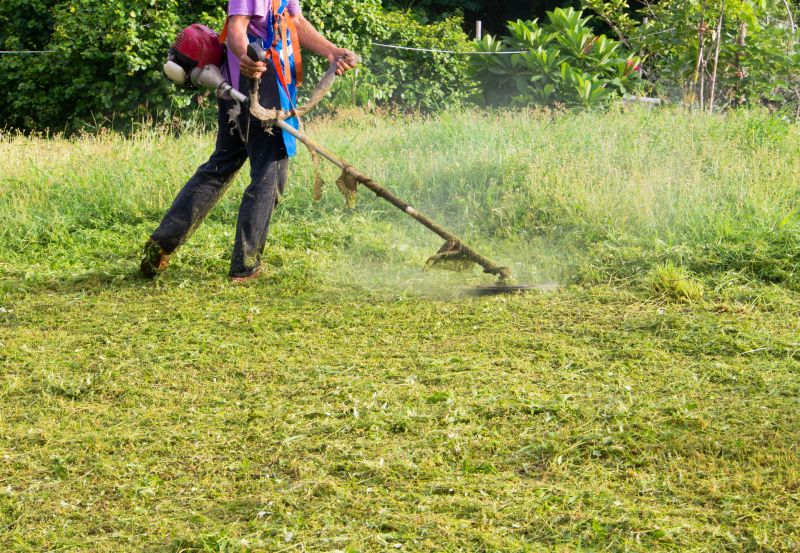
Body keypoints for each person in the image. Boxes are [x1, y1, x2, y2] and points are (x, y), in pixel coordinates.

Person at [140, 0, 357, 282]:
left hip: (248, 91)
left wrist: (331, 51)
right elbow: (236, 27)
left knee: (220, 167)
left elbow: (295, 21)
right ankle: (245, 267)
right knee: (269, 176)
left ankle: (161, 244)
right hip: (258, 90)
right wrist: (246, 58)